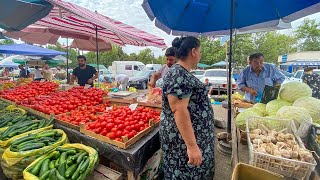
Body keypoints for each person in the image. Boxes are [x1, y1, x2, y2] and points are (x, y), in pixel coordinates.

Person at [161, 36, 215, 179]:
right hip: (183, 141)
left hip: (190, 137)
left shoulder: (182, 73)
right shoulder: (178, 74)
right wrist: (191, 147)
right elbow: (179, 109)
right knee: (185, 173)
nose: (200, 54)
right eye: (200, 51)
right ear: (193, 51)